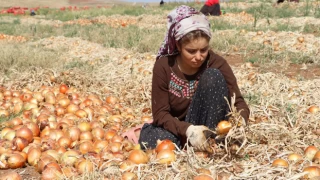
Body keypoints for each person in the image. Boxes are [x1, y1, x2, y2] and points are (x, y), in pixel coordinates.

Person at [122, 5, 250, 152]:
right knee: (157, 139)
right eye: (191, 51)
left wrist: (240, 123)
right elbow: (161, 114)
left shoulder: (216, 63)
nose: (198, 57)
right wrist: (188, 130)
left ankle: (210, 142)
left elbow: (238, 102)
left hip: (212, 127)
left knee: (213, 76)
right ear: (178, 45)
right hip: (180, 128)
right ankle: (192, 143)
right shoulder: (164, 66)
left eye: (204, 50)